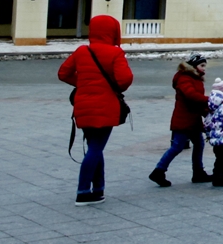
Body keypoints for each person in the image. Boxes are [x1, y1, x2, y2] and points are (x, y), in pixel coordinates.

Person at [57, 15, 133, 205]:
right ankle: (83, 191)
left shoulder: (82, 51)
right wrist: (112, 87)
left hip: (83, 106)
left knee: (94, 148)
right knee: (96, 148)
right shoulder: (115, 53)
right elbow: (125, 80)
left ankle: (98, 189)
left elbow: (63, 73)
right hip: (106, 107)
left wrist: (83, 84)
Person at [149, 53, 209, 187]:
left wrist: (207, 113)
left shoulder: (196, 79)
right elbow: (191, 96)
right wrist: (210, 100)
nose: (204, 68)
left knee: (199, 144)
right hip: (184, 120)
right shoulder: (184, 78)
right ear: (193, 66)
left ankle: (198, 172)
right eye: (202, 65)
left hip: (193, 119)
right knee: (177, 146)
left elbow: (197, 101)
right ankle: (158, 171)